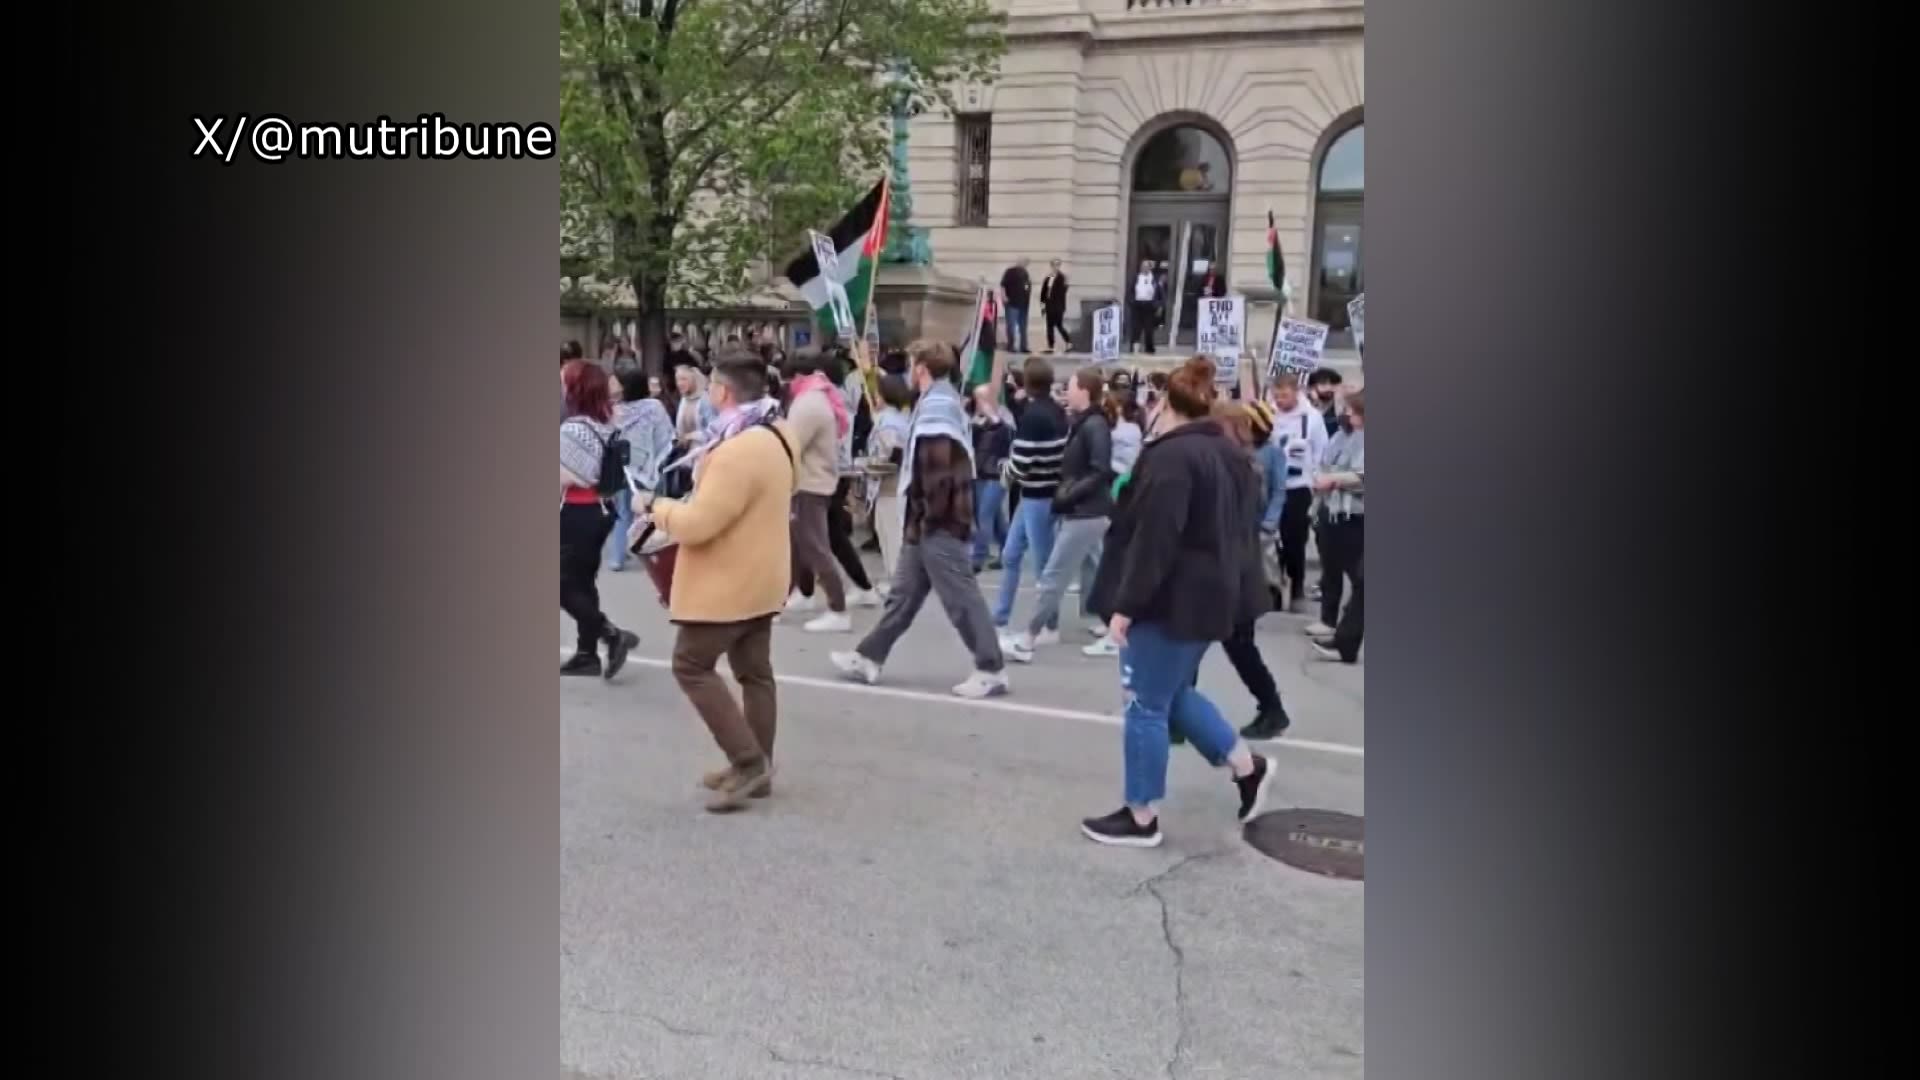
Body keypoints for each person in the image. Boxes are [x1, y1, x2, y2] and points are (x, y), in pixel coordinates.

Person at [1078, 356, 1278, 847]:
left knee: (1144, 704)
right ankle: (1245, 766)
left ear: (1164, 402)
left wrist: (1126, 606)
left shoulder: (1171, 458)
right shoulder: (1227, 453)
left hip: (1170, 600)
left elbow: (1155, 540)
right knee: (1169, 696)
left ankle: (1140, 814)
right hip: (1211, 598)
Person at [642, 351, 798, 812]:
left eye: (712, 386)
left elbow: (698, 524)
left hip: (727, 582)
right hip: (764, 575)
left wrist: (656, 508)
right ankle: (759, 765)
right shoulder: (777, 431)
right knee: (755, 672)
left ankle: (748, 761)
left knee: (690, 664)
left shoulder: (735, 450)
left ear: (723, 392)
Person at [830, 341, 1009, 699]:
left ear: (922, 368)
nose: (909, 371)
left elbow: (938, 472)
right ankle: (869, 658)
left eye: (913, 364)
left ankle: (990, 668)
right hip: (926, 520)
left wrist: (927, 519)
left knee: (961, 598)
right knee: (903, 596)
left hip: (937, 521)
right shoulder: (940, 402)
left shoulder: (936, 410)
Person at [1002, 368, 1112, 662]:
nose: (1066, 392)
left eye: (1071, 386)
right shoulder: (1082, 422)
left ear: (1085, 391)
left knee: (1053, 575)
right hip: (1083, 509)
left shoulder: (1095, 425)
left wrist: (1069, 494)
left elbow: (1100, 469)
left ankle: (1029, 638)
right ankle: (1116, 630)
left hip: (1085, 511)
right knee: (1099, 570)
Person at [559, 360, 640, 679]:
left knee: (561, 584)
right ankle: (586, 652)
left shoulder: (575, 428)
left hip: (576, 511)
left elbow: (567, 475)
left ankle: (610, 634)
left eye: (565, 381)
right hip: (600, 511)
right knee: (582, 582)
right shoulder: (607, 420)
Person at [792, 351, 882, 611]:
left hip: (829, 472)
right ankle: (811, 590)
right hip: (837, 470)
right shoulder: (835, 395)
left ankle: (832, 594)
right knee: (824, 536)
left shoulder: (825, 398)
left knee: (819, 537)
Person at [780, 349, 857, 632]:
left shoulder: (809, 403)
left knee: (815, 546)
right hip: (812, 481)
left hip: (809, 483)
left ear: (798, 376)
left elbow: (791, 442)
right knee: (799, 545)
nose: (786, 386)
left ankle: (838, 608)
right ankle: (796, 595)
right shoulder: (816, 396)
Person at [993, 358, 1068, 633]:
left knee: (1042, 563)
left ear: (1026, 383)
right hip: (1041, 491)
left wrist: (1004, 471)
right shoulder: (1056, 411)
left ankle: (1049, 625)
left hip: (1037, 494)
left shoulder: (1033, 417)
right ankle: (1000, 615)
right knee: (1011, 554)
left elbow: (1021, 463)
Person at [1309, 390, 1364, 663]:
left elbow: (1362, 475)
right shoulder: (1343, 436)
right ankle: (1344, 640)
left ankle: (1345, 640)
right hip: (1333, 511)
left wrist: (1334, 480)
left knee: (1363, 580)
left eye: (1353, 411)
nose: (1347, 414)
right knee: (1357, 579)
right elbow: (1325, 462)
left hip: (1357, 516)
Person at [1267, 373, 1330, 614]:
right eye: (1276, 395)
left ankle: (1296, 586)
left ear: (1296, 392)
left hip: (1299, 487)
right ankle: (1272, 587)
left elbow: (1321, 451)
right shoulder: (1269, 413)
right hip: (1273, 487)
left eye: (1284, 395)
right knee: (1271, 540)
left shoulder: (1311, 418)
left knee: (1294, 540)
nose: (1280, 400)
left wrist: (1314, 479)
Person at [605, 368, 675, 572]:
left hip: (623, 468)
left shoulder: (614, 411)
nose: (611, 386)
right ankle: (657, 554)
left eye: (615, 382)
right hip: (651, 466)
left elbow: (608, 438)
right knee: (653, 511)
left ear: (626, 386)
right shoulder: (654, 407)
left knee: (623, 513)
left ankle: (617, 558)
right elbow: (665, 435)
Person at [865, 374, 915, 585]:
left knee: (890, 535)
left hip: (888, 485)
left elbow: (891, 454)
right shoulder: (902, 418)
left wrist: (871, 464)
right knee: (886, 531)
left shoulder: (887, 422)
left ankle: (896, 581)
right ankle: (893, 579)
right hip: (893, 484)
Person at [968, 383, 1013, 572]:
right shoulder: (975, 421)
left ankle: (977, 559)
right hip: (979, 473)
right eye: (977, 398)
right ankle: (1007, 551)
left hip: (998, 474)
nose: (980, 403)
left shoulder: (1003, 418)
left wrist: (993, 419)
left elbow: (1006, 438)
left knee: (984, 515)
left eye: (983, 398)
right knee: (995, 518)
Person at [1129, 259, 1162, 354]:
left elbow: (1160, 294)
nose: (1144, 268)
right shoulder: (1136, 278)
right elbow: (1130, 291)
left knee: (1149, 329)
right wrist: (1132, 302)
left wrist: (1158, 305)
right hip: (1137, 305)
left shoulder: (1154, 279)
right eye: (1143, 266)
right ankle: (1134, 348)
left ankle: (1149, 349)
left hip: (1149, 305)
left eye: (1146, 266)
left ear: (1150, 268)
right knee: (1136, 328)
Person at [1001, 257, 1033, 354]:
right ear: (1019, 262)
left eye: (1027, 263)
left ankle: (1023, 346)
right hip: (1012, 303)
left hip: (1023, 305)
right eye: (1024, 262)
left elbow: (1027, 286)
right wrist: (1004, 296)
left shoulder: (1025, 274)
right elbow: (1003, 285)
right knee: (1011, 325)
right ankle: (1011, 345)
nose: (1025, 265)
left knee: (1023, 327)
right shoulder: (1010, 272)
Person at [1039, 259, 1071, 353]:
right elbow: (1043, 293)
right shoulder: (1048, 278)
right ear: (1051, 266)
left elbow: (1063, 292)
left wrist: (1066, 284)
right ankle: (1051, 345)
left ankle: (1068, 341)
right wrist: (1042, 307)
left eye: (1057, 265)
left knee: (1059, 325)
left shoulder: (1062, 278)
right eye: (1053, 265)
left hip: (1058, 306)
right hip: (1049, 305)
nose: (1055, 267)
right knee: (1049, 326)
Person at [1307, 367, 1344, 437]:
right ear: (1312, 387)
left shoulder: (1338, 404)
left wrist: (1339, 405)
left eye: (1333, 384)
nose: (1329, 387)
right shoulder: (1304, 405)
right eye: (1323, 384)